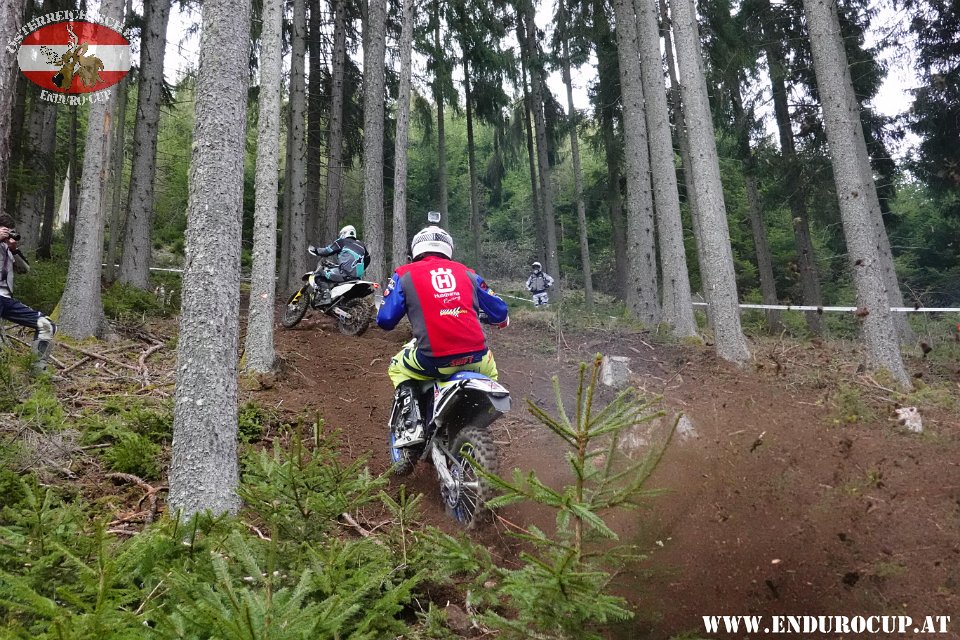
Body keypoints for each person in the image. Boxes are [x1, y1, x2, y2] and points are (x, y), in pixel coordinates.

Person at [376, 225, 509, 446]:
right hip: (477, 359)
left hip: (432, 359)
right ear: (448, 248)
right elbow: (501, 313)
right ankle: (474, 419)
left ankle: (412, 427)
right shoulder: (468, 273)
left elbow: (385, 320)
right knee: (491, 369)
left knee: (397, 366)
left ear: (416, 248)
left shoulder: (404, 274)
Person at [0, 214, 57, 371]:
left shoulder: (9, 249)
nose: (7, 233)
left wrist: (14, 250)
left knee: (46, 325)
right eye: (5, 230)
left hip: (6, 299)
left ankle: (38, 370)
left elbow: (25, 269)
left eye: (10, 231)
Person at [308, 225, 370, 305]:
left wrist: (316, 250)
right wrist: (358, 270)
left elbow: (327, 251)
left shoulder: (342, 242)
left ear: (344, 233)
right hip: (357, 277)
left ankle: (326, 298)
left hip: (345, 274)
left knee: (319, 274)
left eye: (341, 234)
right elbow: (368, 259)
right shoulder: (361, 245)